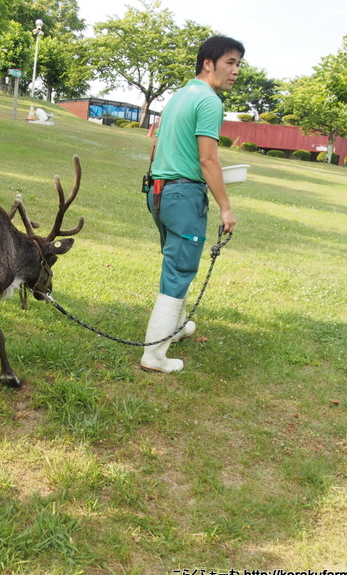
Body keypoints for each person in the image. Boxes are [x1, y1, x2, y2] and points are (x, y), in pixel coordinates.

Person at [140, 35, 244, 374]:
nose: (235, 71)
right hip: (183, 196)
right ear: (208, 63)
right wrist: (226, 208)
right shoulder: (210, 101)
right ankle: (153, 356)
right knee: (180, 269)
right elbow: (208, 161)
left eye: (238, 64)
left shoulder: (179, 96)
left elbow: (155, 146)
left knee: (176, 262)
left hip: (157, 192)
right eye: (230, 63)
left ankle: (178, 325)